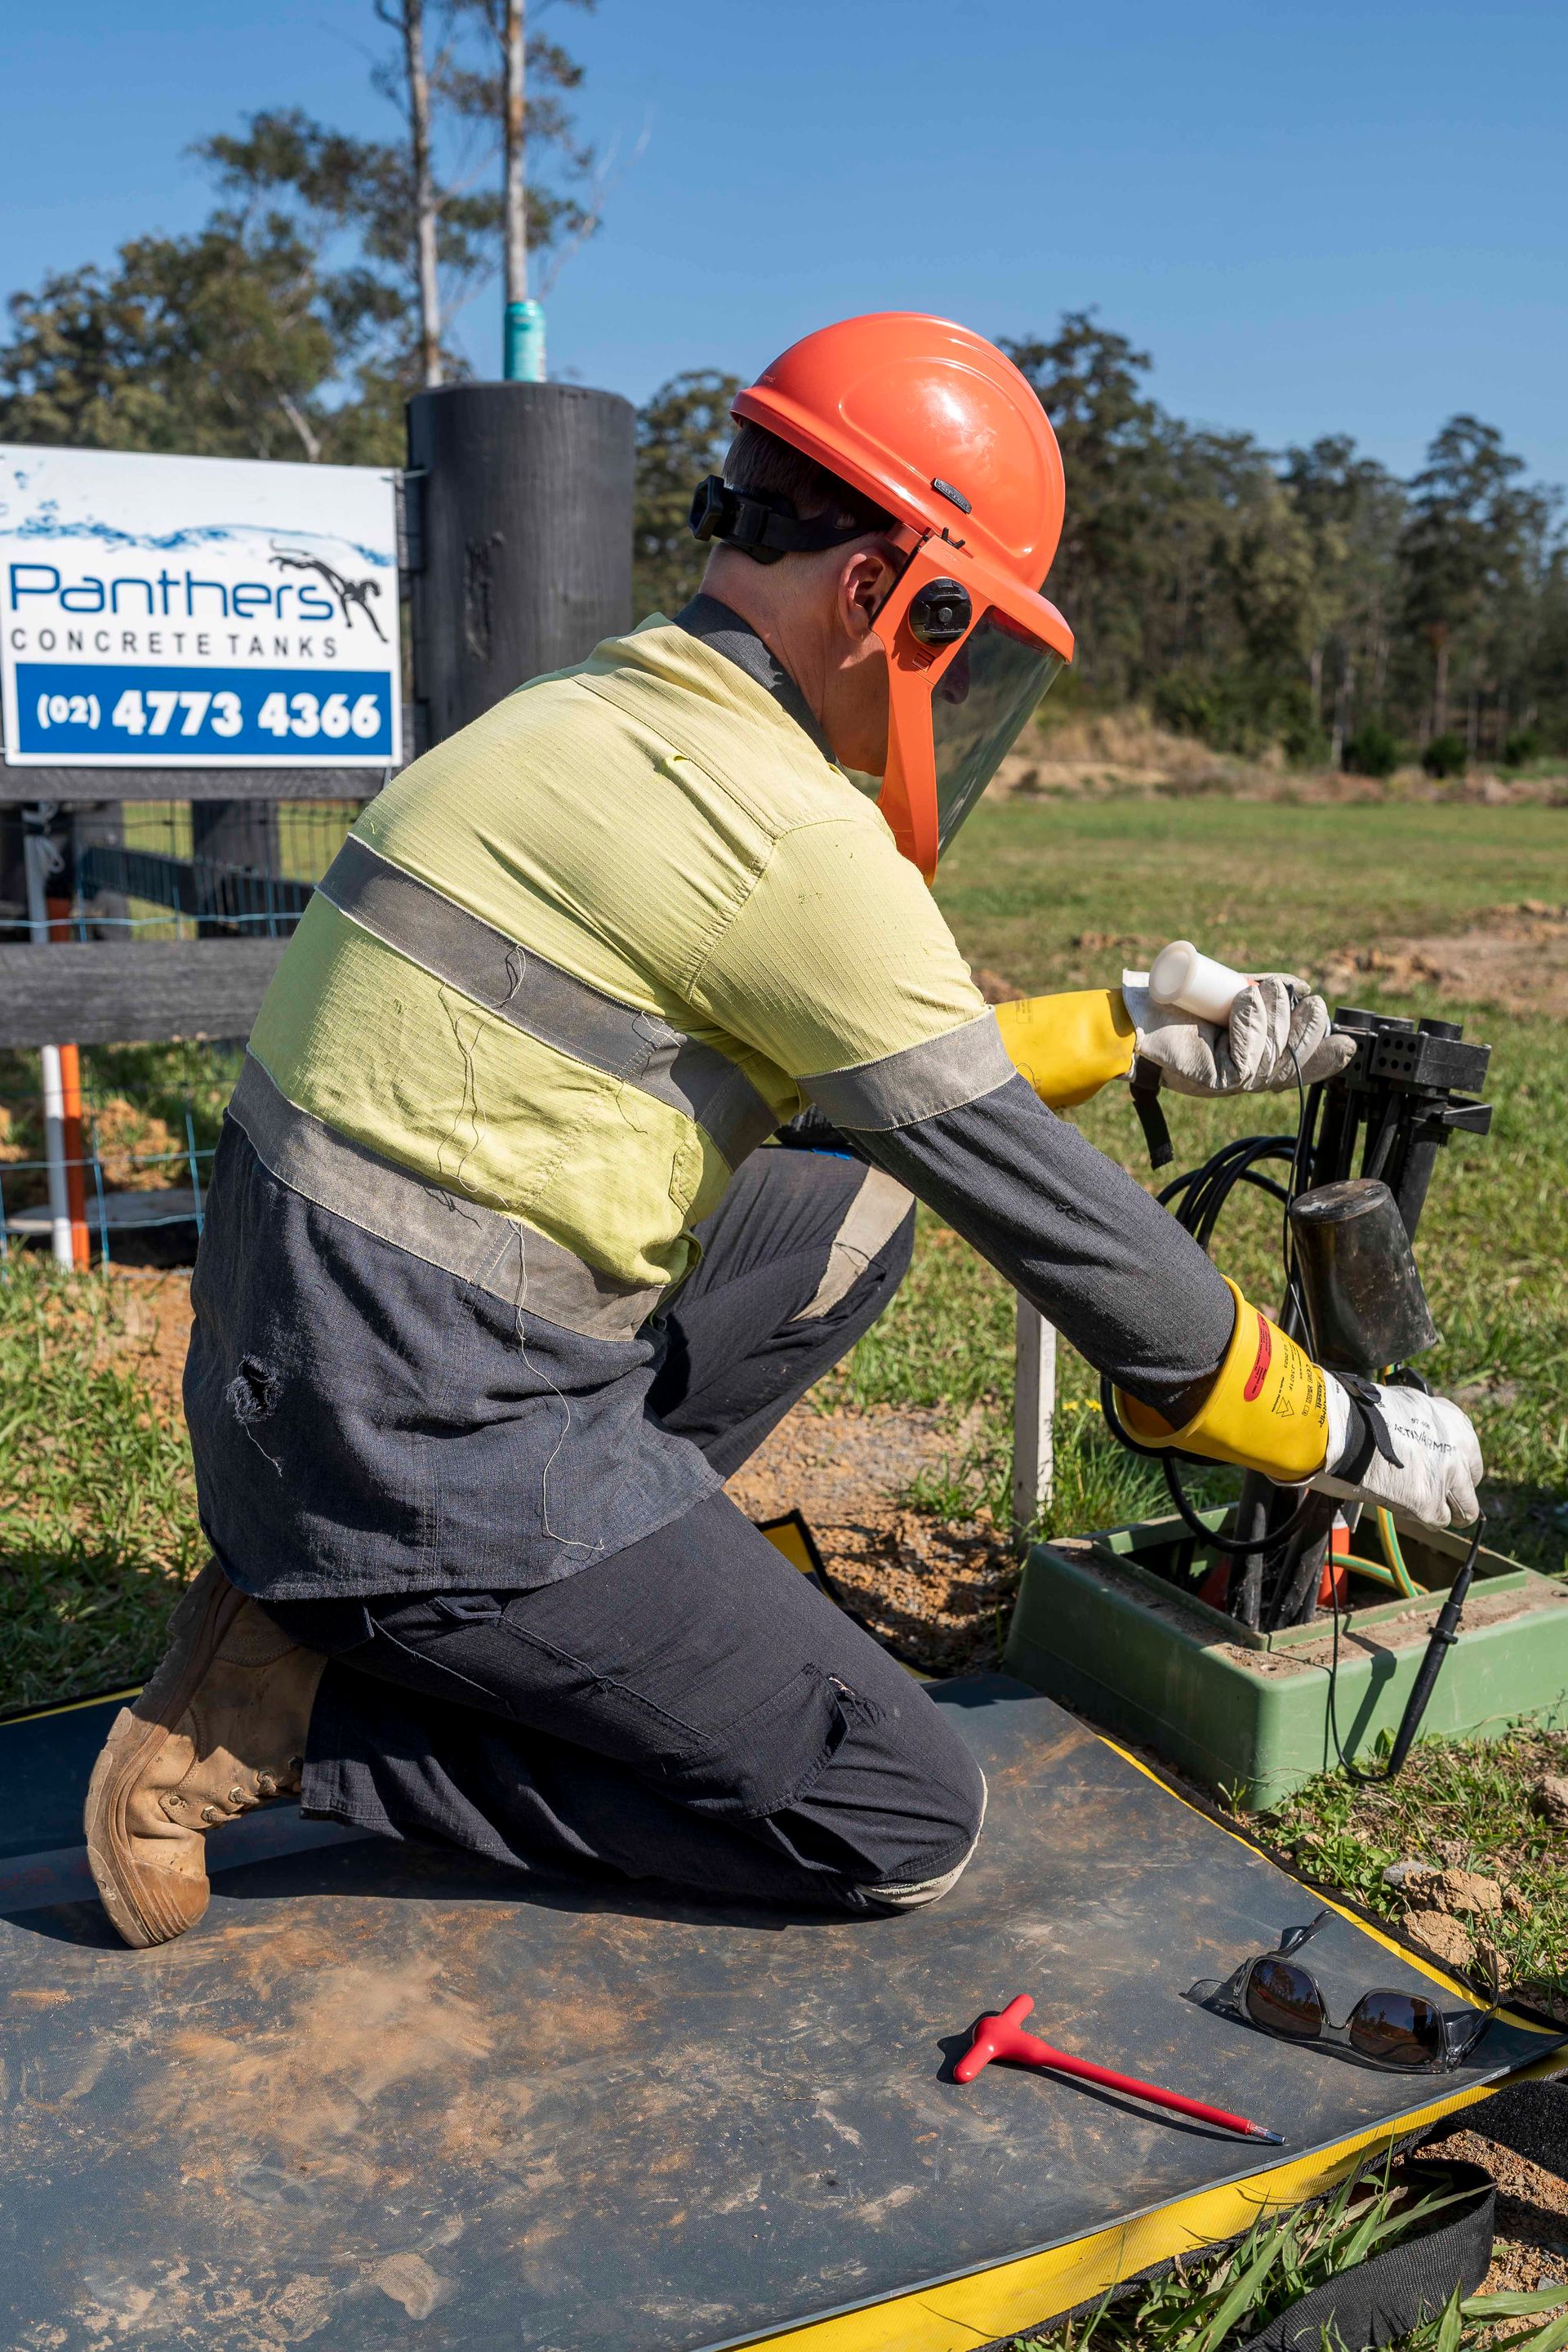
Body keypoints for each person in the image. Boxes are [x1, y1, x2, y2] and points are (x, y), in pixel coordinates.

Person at [84, 314, 1484, 1949]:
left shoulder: (583, 715)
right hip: (420, 1437)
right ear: (897, 591)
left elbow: (874, 1089)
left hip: (300, 1370)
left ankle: (449, 1609)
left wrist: (1128, 1030)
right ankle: (305, 1721)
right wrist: (1345, 1431)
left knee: (842, 1218)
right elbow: (1105, 1271)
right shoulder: (785, 834)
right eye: (967, 649)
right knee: (893, 1819)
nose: (956, 693)